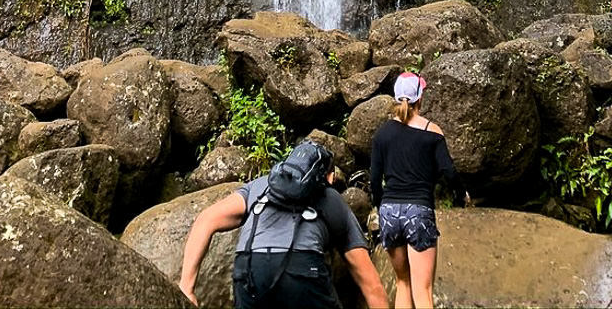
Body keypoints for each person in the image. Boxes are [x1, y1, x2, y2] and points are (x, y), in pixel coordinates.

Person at [178, 138, 388, 309]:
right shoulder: (332, 200)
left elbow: (205, 220)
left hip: (250, 269)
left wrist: (187, 287)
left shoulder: (259, 186)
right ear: (329, 177)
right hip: (301, 269)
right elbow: (370, 284)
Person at [369, 72, 468, 309]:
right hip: (418, 212)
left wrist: (382, 206)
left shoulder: (382, 134)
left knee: (402, 283)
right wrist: (460, 195)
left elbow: (374, 179)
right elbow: (449, 172)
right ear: (419, 99)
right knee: (422, 291)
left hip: (390, 213)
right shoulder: (432, 132)